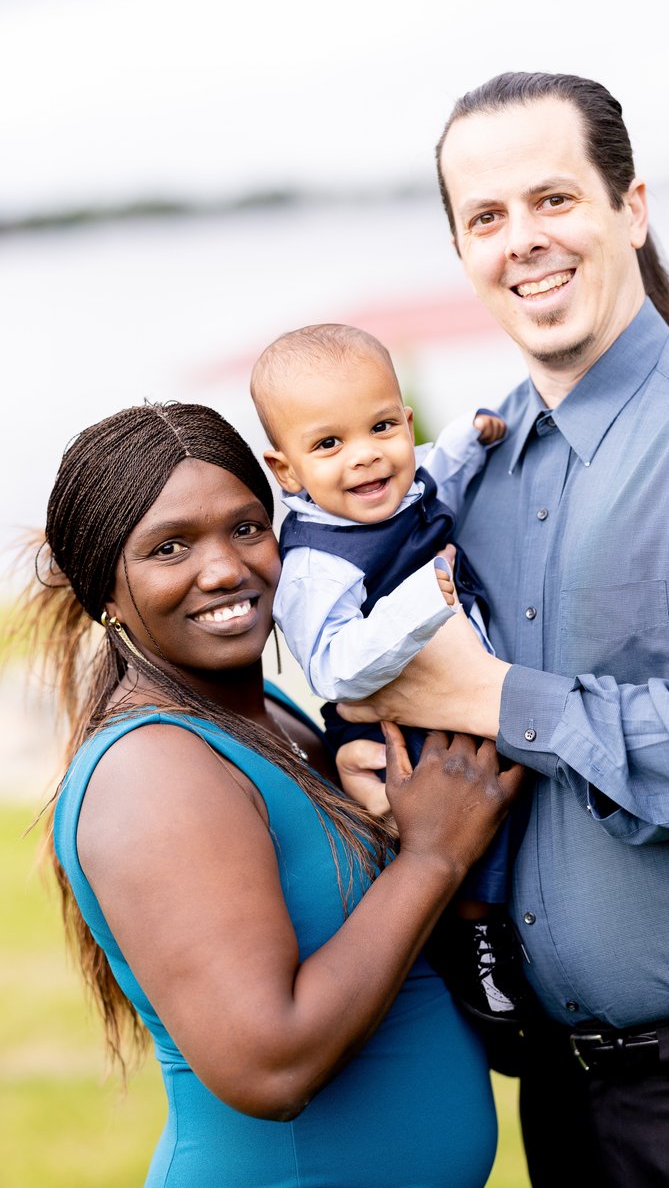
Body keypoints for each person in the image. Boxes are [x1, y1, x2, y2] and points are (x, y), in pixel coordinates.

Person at [337, 71, 669, 1187]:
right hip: (562, 1100)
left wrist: (482, 696)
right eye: (486, 218)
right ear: (460, 252)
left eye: (553, 200)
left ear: (629, 209)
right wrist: (368, 762)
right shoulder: (466, 478)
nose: (522, 241)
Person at [29, 400, 522, 1188]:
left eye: (247, 527)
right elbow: (271, 1065)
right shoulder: (154, 767)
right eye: (169, 547)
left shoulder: (275, 721)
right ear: (106, 594)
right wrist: (432, 856)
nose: (226, 567)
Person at [249, 322, 529, 1031]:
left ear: (405, 422)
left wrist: (474, 432)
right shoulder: (317, 562)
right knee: (466, 811)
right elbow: (334, 663)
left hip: (462, 684)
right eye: (329, 444)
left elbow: (442, 469)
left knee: (518, 793)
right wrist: (417, 604)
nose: (366, 457)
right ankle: (476, 940)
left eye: (381, 427)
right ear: (287, 471)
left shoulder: (401, 480)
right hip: (395, 716)